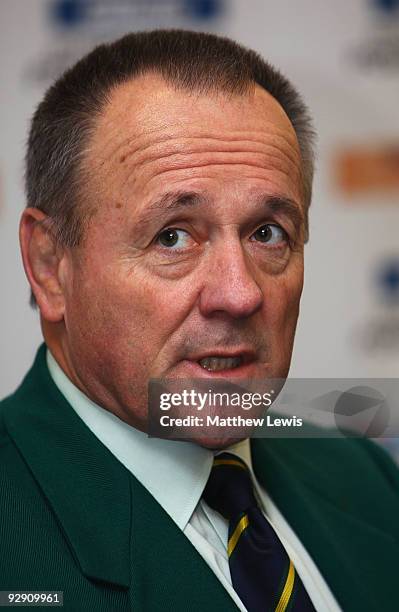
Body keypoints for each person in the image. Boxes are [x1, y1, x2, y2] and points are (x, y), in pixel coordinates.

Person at [0, 30, 398, 612]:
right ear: (50, 264)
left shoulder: (361, 476)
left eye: (268, 233)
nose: (239, 295)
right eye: (174, 237)